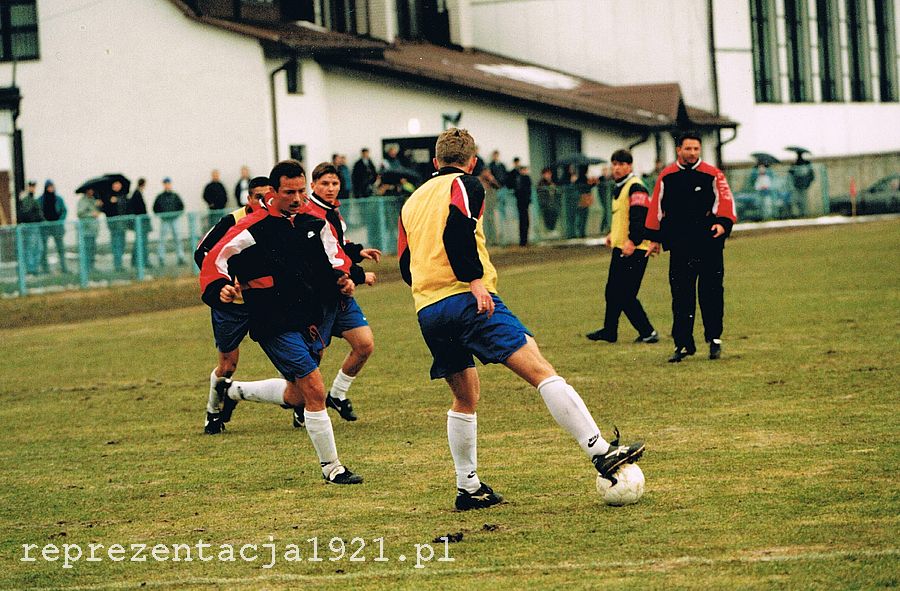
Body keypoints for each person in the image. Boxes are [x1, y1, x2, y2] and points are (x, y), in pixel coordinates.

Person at [397, 128, 644, 510]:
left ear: (434, 162)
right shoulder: (465, 184)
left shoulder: (411, 201)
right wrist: (474, 280)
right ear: (472, 162)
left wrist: (431, 293)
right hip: (467, 298)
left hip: (428, 309)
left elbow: (405, 263)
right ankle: (600, 451)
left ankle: (469, 487)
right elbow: (458, 230)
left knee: (465, 397)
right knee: (540, 368)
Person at [200, 159, 363, 484]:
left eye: (301, 191)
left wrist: (346, 277)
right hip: (273, 322)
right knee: (316, 390)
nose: (297, 197)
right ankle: (332, 468)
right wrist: (220, 287)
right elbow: (213, 258)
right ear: (274, 192)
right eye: (290, 191)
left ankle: (234, 392)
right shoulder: (252, 227)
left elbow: (336, 257)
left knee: (299, 395)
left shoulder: (313, 222)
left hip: (310, 319)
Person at [291, 162, 383, 427]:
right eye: (325, 184)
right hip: (320, 296)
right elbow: (324, 258)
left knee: (364, 344)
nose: (330, 188)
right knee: (313, 358)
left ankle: (337, 395)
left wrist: (358, 252)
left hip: (341, 293)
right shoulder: (310, 215)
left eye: (334, 183)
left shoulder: (332, 211)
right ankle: (302, 406)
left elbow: (339, 246)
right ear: (313, 185)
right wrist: (358, 275)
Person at [645, 131, 737, 362]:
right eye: (688, 149)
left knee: (712, 292)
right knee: (681, 295)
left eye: (696, 149)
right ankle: (683, 344)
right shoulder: (667, 176)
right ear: (679, 150)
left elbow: (726, 201)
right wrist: (654, 239)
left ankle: (714, 339)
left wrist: (723, 224)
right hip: (680, 244)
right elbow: (656, 207)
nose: (692, 153)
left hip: (708, 243)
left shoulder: (712, 174)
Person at [194, 176, 269, 435]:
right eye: (258, 196)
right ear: (248, 199)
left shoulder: (278, 220)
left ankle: (300, 407)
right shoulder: (231, 221)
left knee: (294, 355)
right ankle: (213, 413)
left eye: (268, 195)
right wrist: (223, 283)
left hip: (265, 300)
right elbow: (202, 252)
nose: (263, 201)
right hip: (232, 304)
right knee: (227, 365)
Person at [586, 149, 659, 344]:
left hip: (634, 249)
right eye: (614, 164)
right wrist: (613, 234)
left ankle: (648, 332)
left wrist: (633, 242)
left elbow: (639, 218)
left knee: (626, 294)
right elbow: (623, 217)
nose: (616, 168)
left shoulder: (636, 188)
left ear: (630, 166)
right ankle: (610, 331)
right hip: (621, 247)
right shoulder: (620, 187)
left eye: (621, 164)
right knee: (612, 291)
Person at [37, 180, 68, 274]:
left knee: (61, 248)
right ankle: (45, 269)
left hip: (57, 227)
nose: (51, 189)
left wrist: (60, 221)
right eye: (49, 187)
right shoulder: (41, 199)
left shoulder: (58, 199)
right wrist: (44, 221)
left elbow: (64, 211)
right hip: (45, 227)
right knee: (43, 249)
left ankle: (64, 268)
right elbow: (39, 212)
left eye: (52, 187)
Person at [153, 177, 186, 265]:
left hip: (174, 219)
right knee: (162, 239)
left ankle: (180, 256)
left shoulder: (175, 196)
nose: (167, 185)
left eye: (168, 183)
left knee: (178, 238)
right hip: (165, 220)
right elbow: (155, 208)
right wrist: (162, 215)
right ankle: (161, 257)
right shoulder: (160, 197)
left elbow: (181, 206)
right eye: (165, 183)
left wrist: (176, 214)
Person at [17, 181, 44, 275]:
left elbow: (38, 213)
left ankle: (34, 268)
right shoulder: (27, 200)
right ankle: (30, 269)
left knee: (39, 248)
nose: (32, 188)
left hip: (36, 226)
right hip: (30, 227)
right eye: (31, 186)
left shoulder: (34, 199)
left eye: (33, 186)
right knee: (31, 248)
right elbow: (27, 212)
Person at [101, 179, 129, 271]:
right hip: (113, 224)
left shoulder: (123, 195)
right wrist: (109, 202)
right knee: (116, 244)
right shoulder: (107, 196)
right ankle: (117, 265)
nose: (117, 186)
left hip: (122, 224)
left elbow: (127, 206)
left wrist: (118, 200)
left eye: (118, 184)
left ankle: (119, 264)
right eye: (115, 184)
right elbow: (104, 209)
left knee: (122, 244)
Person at [126, 178, 152, 268]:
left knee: (139, 242)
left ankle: (136, 261)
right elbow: (140, 209)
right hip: (141, 223)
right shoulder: (137, 194)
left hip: (140, 223)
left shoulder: (135, 193)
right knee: (141, 243)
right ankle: (141, 261)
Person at [77, 188, 101, 271]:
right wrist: (91, 214)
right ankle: (86, 268)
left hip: (93, 230)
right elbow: (80, 213)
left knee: (92, 249)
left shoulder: (93, 200)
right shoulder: (83, 201)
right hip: (86, 230)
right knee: (87, 249)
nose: (92, 191)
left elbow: (96, 212)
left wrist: (98, 206)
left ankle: (91, 267)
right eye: (90, 190)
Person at [535, 167, 560, 231]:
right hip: (546, 205)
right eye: (546, 174)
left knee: (554, 216)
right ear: (543, 175)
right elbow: (540, 193)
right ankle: (549, 230)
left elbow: (557, 192)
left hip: (553, 204)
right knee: (547, 218)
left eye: (549, 174)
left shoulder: (552, 182)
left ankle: (552, 230)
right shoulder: (541, 183)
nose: (548, 175)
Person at [514, 164, 532, 246]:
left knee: (524, 221)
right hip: (523, 203)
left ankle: (524, 240)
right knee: (524, 221)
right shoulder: (524, 179)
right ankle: (523, 240)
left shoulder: (519, 179)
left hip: (522, 203)